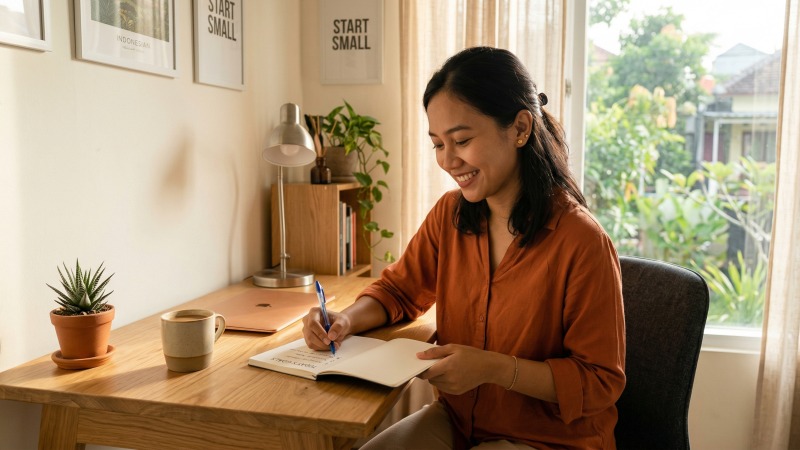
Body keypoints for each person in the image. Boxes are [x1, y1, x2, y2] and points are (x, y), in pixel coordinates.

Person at [302, 46, 625, 450]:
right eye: (438, 144)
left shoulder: (582, 241)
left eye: (462, 140)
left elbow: (599, 382)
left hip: (549, 440)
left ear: (521, 128)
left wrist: (494, 369)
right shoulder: (450, 216)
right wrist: (344, 321)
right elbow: (398, 291)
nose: (448, 160)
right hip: (458, 421)